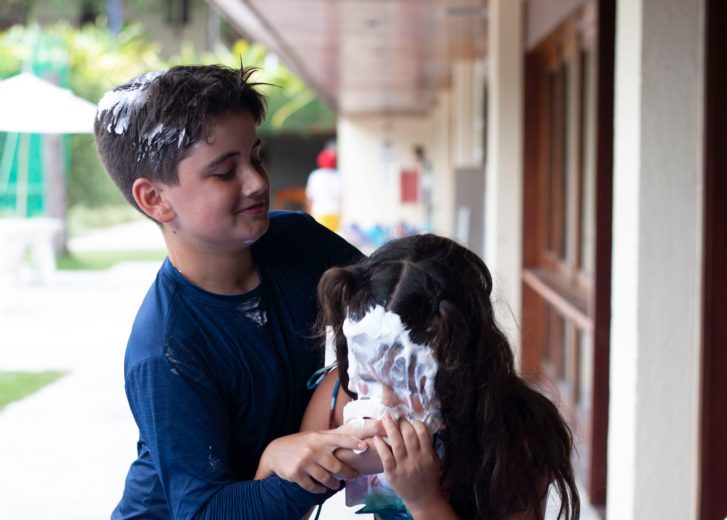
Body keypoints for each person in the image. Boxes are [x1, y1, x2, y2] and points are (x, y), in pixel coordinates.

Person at [94, 64, 378, 519]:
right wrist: (302, 464)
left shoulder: (299, 242)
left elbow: (393, 297)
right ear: (155, 199)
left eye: (257, 156)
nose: (257, 182)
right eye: (226, 172)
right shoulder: (167, 350)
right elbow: (204, 510)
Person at [294, 234, 580, 520]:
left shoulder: (518, 436)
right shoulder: (340, 396)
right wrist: (279, 457)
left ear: (463, 369)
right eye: (370, 373)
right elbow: (291, 503)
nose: (385, 399)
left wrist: (424, 501)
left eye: (405, 379)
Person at [305, 142, 341, 232]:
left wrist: (308, 214)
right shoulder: (338, 176)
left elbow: (309, 198)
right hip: (335, 212)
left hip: (319, 212)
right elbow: (342, 198)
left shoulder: (315, 175)